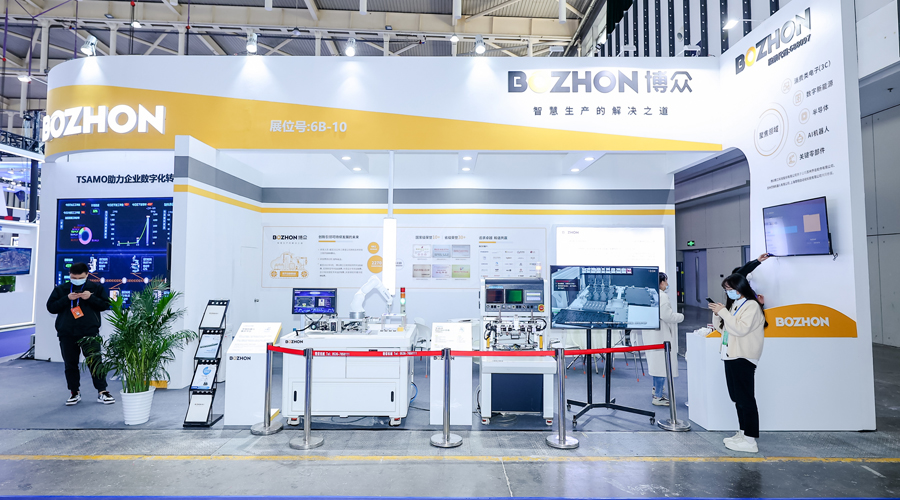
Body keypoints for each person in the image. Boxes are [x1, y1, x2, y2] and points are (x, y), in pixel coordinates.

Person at [708, 273, 767, 453]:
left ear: (740, 288)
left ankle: (750, 439)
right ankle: (742, 433)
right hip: (731, 355)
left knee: (745, 399)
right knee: (737, 398)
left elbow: (741, 329)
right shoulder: (736, 304)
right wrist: (717, 315)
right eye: (726, 289)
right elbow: (725, 329)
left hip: (743, 356)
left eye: (730, 289)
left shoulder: (751, 305)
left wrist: (723, 312)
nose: (728, 292)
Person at [46, 262, 115, 406]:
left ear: (87, 275)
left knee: (95, 362)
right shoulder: (61, 289)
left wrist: (90, 298)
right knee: (70, 364)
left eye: (80, 278)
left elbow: (105, 305)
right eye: (74, 278)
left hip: (89, 332)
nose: (77, 280)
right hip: (66, 333)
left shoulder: (95, 288)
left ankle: (102, 391)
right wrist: (67, 299)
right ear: (70, 275)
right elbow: (51, 307)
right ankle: (74, 392)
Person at [643, 272, 684, 406]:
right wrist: (680, 316)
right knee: (661, 366)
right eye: (665, 281)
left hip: (651, 334)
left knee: (656, 364)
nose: (667, 284)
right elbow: (668, 316)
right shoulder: (662, 296)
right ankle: (658, 396)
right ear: (661, 282)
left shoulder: (648, 294)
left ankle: (656, 390)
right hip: (660, 336)